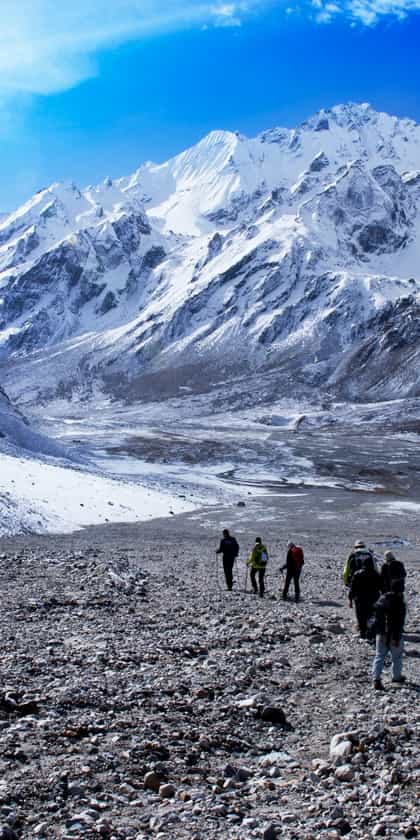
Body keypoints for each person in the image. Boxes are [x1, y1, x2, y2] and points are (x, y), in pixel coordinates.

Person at [372, 579, 406, 690]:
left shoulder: (382, 599)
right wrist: (396, 637)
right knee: (397, 657)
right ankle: (396, 677)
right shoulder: (399, 602)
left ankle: (376, 679)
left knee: (379, 656)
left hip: (381, 633)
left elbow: (376, 616)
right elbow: (399, 621)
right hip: (394, 634)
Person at [349, 554, 381, 640]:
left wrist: (350, 600)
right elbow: (381, 587)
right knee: (371, 616)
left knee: (361, 616)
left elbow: (353, 588)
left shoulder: (357, 574)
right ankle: (371, 633)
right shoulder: (376, 574)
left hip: (360, 599)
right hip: (373, 598)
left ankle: (363, 633)